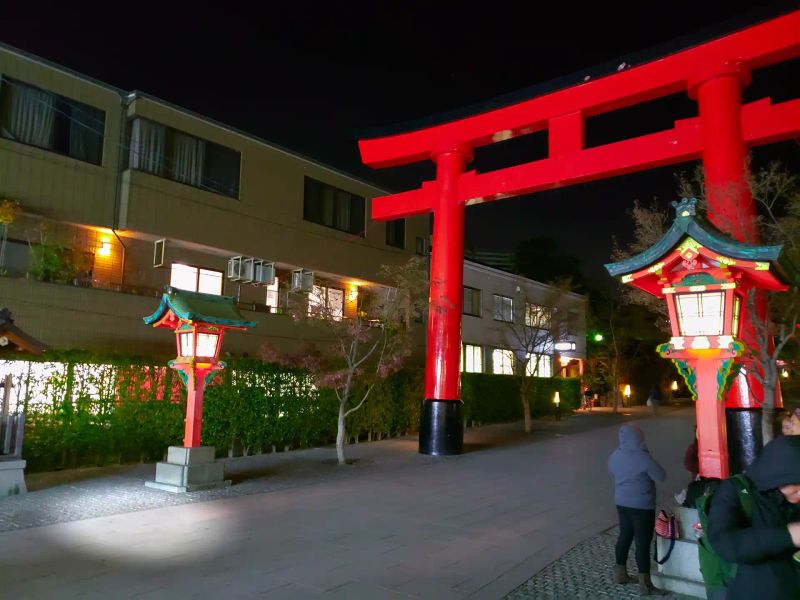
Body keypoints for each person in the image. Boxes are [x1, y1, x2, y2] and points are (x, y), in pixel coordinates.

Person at [707, 435, 800, 599]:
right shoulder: (735, 491)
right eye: (795, 484)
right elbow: (725, 543)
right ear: (777, 475)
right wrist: (788, 536)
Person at [608, 423, 667, 595]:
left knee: (625, 535)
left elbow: (612, 471)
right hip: (642, 505)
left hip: (621, 502)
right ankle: (645, 584)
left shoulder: (615, 455)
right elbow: (661, 476)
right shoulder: (643, 458)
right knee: (642, 542)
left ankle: (620, 573)